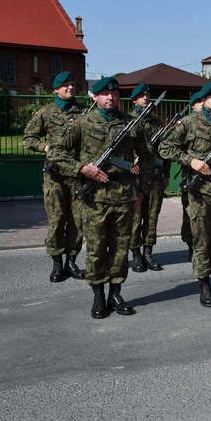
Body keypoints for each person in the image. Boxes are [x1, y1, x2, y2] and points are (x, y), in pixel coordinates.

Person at [51, 77, 154, 318]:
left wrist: (141, 191)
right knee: (97, 249)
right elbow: (57, 153)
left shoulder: (132, 124)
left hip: (125, 196)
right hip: (94, 199)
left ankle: (115, 293)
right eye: (105, 93)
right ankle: (98, 296)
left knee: (120, 248)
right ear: (95, 97)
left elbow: (148, 158)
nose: (111, 97)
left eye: (115, 94)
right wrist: (81, 168)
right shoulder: (82, 124)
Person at [159, 81, 211, 308]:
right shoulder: (189, 123)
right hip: (200, 192)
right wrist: (192, 161)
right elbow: (165, 148)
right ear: (204, 99)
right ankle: (204, 285)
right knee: (202, 240)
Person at [22, 71, 86, 283]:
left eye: (72, 84)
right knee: (57, 220)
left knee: (77, 221)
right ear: (55, 90)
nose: (70, 88)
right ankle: (57, 263)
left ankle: (72, 261)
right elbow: (28, 138)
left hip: (77, 175)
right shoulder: (46, 113)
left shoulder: (84, 113)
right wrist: (46, 146)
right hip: (55, 176)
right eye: (65, 85)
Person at [129, 84, 168, 273]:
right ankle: (135, 253)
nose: (145, 98)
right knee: (136, 217)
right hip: (135, 178)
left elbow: (163, 151)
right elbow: (122, 148)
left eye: (147, 95)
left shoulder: (155, 123)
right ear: (134, 100)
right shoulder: (128, 121)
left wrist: (165, 174)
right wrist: (129, 163)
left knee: (152, 217)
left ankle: (148, 253)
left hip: (154, 176)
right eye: (141, 96)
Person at [179, 92, 204, 262]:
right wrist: (191, 160)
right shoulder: (186, 124)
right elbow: (172, 149)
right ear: (193, 105)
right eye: (198, 102)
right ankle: (191, 245)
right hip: (191, 178)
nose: (202, 105)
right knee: (190, 215)